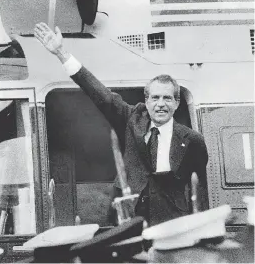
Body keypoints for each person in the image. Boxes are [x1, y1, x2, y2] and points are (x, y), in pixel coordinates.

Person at [34, 22, 209, 226]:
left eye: (167, 98)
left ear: (177, 103)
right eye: (155, 98)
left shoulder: (192, 140)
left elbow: (200, 189)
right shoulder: (133, 118)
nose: (161, 104)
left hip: (170, 223)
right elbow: (101, 95)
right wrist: (61, 53)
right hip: (128, 219)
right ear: (147, 100)